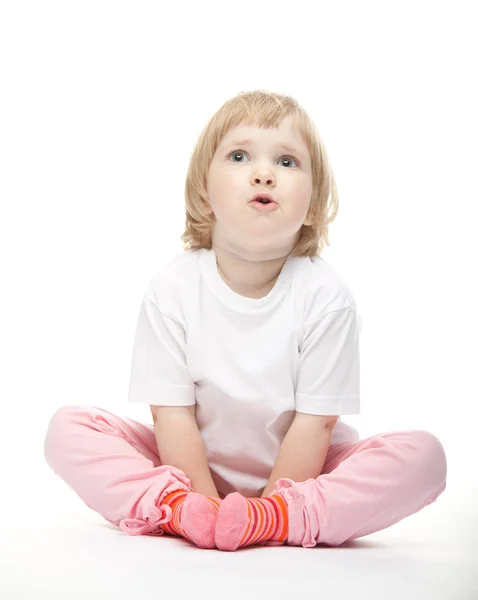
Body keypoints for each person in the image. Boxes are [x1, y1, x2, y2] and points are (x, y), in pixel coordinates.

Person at [44, 89, 447, 552]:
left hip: (306, 475)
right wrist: (204, 505)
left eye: (288, 162)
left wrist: (273, 507)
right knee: (69, 429)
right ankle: (175, 507)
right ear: (204, 193)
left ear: (313, 204)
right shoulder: (173, 289)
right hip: (186, 465)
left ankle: (279, 518)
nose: (264, 173)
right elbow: (170, 415)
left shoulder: (326, 298)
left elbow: (314, 426)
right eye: (239, 156)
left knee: (423, 458)